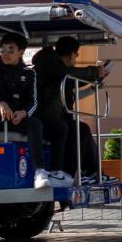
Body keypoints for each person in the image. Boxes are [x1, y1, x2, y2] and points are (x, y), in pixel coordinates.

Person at [32, 35, 112, 185]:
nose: (76, 59)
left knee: (82, 129)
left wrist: (94, 83)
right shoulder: (51, 65)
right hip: (44, 117)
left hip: (56, 116)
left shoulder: (57, 68)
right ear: (71, 54)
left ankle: (91, 172)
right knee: (75, 129)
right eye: (76, 55)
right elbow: (69, 76)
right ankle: (71, 173)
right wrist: (94, 72)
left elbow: (73, 88)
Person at [0, 33, 49, 183]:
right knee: (35, 124)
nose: (5, 54)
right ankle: (39, 171)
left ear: (21, 52)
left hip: (19, 119)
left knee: (59, 128)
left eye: (11, 50)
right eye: (3, 50)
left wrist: (24, 113)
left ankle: (60, 172)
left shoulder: (29, 73)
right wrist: (0, 103)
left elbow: (34, 101)